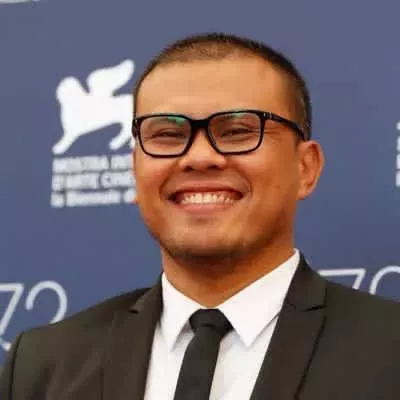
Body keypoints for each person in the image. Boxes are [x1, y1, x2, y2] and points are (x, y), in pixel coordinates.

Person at [1, 32, 400, 400]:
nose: (199, 157)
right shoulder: (43, 366)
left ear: (305, 168)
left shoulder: (388, 349)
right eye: (167, 135)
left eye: (238, 131)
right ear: (135, 170)